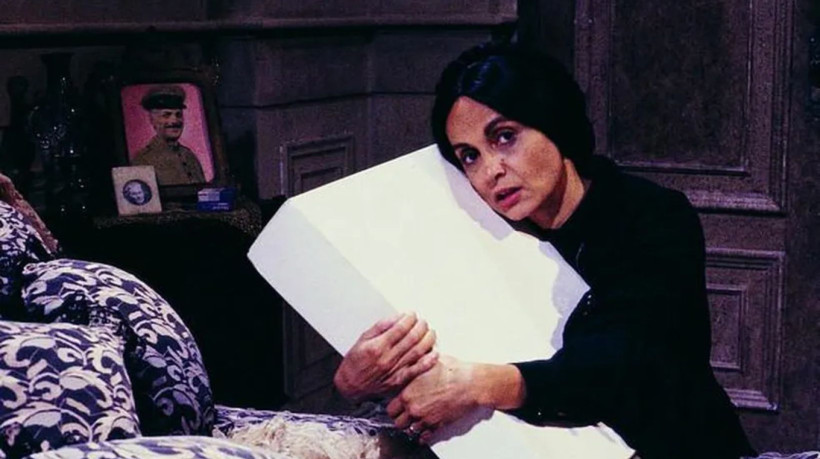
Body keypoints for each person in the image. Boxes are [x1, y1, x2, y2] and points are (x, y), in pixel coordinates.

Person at [333, 42, 756, 459]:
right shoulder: (478, 233)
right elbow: (438, 366)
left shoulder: (654, 217)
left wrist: (479, 384)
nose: (491, 171)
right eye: (469, 156)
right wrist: (359, 385)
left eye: (505, 137)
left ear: (552, 119)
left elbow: (622, 365)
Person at [132, 85, 206, 186]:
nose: (174, 121)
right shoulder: (143, 160)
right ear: (153, 121)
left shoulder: (189, 156)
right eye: (166, 115)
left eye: (178, 115)